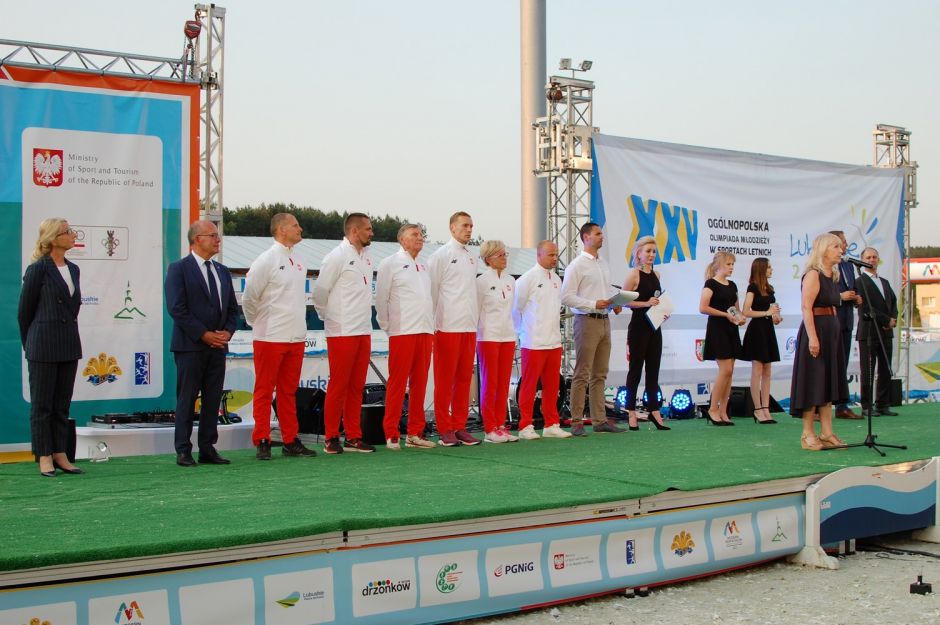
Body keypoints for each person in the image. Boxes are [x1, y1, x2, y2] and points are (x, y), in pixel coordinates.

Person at [242, 213, 317, 460]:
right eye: (296, 225)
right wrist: (257, 323)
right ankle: (262, 439)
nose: (300, 229)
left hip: (295, 336)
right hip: (270, 336)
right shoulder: (266, 260)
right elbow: (249, 297)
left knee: (288, 391)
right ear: (282, 229)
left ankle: (290, 439)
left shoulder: (299, 261)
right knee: (264, 390)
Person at [164, 220, 238, 467]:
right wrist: (204, 334)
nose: (218, 240)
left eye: (218, 235)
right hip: (191, 346)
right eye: (213, 235)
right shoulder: (179, 269)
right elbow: (177, 308)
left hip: (218, 347)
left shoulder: (222, 271)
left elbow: (232, 309)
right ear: (197, 239)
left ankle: (207, 447)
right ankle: (183, 449)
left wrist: (227, 332)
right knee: (187, 398)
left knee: (213, 398)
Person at [17, 218, 84, 477]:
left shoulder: (74, 269)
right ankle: (44, 455)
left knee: (62, 404)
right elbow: (24, 312)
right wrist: (31, 344)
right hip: (43, 345)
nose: (73, 235)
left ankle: (60, 452)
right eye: (68, 231)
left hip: (68, 344)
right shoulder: (38, 269)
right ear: (54, 238)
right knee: (42, 405)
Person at [313, 213, 377, 454]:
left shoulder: (367, 256)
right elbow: (320, 293)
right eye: (368, 229)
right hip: (342, 330)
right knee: (339, 385)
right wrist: (329, 317)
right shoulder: (336, 256)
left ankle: (353, 436)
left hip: (363, 329)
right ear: (354, 231)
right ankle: (331, 437)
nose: (371, 233)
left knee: (357, 386)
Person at [374, 224, 437, 450]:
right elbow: (381, 299)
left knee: (420, 383)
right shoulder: (389, 263)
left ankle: (415, 432)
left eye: (421, 234)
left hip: (425, 329)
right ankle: (391, 433)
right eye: (414, 234)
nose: (420, 238)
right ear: (402, 239)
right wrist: (388, 327)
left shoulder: (424, 265)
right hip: (402, 330)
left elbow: (430, 298)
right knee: (397, 383)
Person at [560, 222, 624, 436]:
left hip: (604, 319)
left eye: (601, 233)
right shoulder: (576, 265)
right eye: (597, 233)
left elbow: (605, 290)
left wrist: (615, 303)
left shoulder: (602, 263)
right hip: (586, 320)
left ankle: (599, 419)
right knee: (582, 372)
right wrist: (593, 304)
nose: (601, 236)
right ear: (586, 237)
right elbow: (566, 297)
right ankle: (577, 421)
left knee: (600, 373)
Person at [790, 232, 848, 450]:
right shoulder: (813, 274)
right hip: (816, 330)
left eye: (840, 247)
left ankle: (827, 432)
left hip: (831, 330)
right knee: (813, 382)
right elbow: (807, 307)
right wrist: (813, 338)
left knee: (828, 382)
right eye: (835, 247)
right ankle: (807, 434)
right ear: (823, 250)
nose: (840, 250)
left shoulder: (832, 275)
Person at [428, 211, 481, 446]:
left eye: (471, 226)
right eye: (464, 225)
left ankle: (460, 426)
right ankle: (444, 428)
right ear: (452, 227)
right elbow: (432, 292)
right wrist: (433, 324)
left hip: (468, 326)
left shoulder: (471, 257)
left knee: (463, 380)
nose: (469, 230)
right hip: (446, 326)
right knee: (444, 381)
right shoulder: (440, 256)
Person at [512, 241, 572, 440]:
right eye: (551, 255)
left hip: (554, 341)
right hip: (533, 342)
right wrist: (521, 334)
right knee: (529, 385)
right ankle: (525, 425)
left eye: (556, 255)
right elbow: (516, 310)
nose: (555, 258)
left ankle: (551, 424)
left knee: (552, 385)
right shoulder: (526, 279)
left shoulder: (556, 279)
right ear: (539, 255)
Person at [622, 236, 670, 431]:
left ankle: (654, 410)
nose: (651, 255)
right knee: (635, 370)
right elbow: (623, 301)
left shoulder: (657, 274)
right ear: (638, 254)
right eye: (648, 251)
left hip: (654, 327)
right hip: (638, 327)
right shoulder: (633, 275)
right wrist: (645, 303)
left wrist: (663, 311)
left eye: (654, 251)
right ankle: (630, 411)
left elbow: (657, 301)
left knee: (653, 370)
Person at [476, 240, 519, 444]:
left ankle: (501, 424)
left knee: (503, 383)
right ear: (488, 259)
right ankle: (489, 427)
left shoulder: (511, 281)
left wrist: (515, 334)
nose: (504, 258)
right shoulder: (481, 281)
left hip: (507, 336)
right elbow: (475, 310)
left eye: (505, 254)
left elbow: (513, 310)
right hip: (488, 336)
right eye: (500, 255)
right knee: (490, 382)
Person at [699, 251, 746, 425]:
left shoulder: (732, 285)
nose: (731, 267)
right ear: (718, 266)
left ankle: (724, 410)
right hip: (717, 329)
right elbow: (703, 307)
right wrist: (725, 315)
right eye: (728, 264)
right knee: (725, 370)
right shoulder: (710, 284)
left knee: (730, 372)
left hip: (731, 329)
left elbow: (736, 309)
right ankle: (713, 408)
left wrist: (740, 318)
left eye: (732, 264)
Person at [855, 247, 899, 416]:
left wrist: (893, 319)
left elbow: (893, 302)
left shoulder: (885, 282)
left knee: (885, 369)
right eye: (868, 257)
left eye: (874, 257)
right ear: (862, 260)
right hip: (869, 332)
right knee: (868, 370)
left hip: (886, 332)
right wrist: (886, 320)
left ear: (878, 259)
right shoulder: (859, 282)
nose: (872, 260)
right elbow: (865, 307)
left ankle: (883, 404)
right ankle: (867, 406)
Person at [741, 257, 782, 425]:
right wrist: (766, 313)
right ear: (761, 269)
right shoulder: (752, 288)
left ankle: (766, 407)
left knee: (767, 371)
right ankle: (757, 409)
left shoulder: (770, 289)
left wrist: (776, 317)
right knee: (757, 370)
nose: (771, 270)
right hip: (757, 331)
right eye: (769, 267)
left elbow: (772, 312)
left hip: (768, 330)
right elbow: (746, 311)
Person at [831, 230, 863, 420]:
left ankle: (842, 406)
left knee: (842, 365)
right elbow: (822, 294)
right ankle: (818, 406)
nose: (846, 245)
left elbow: (853, 289)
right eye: (842, 242)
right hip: (830, 321)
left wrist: (857, 297)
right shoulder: (823, 267)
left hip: (847, 321)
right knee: (827, 365)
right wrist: (840, 297)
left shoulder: (849, 265)